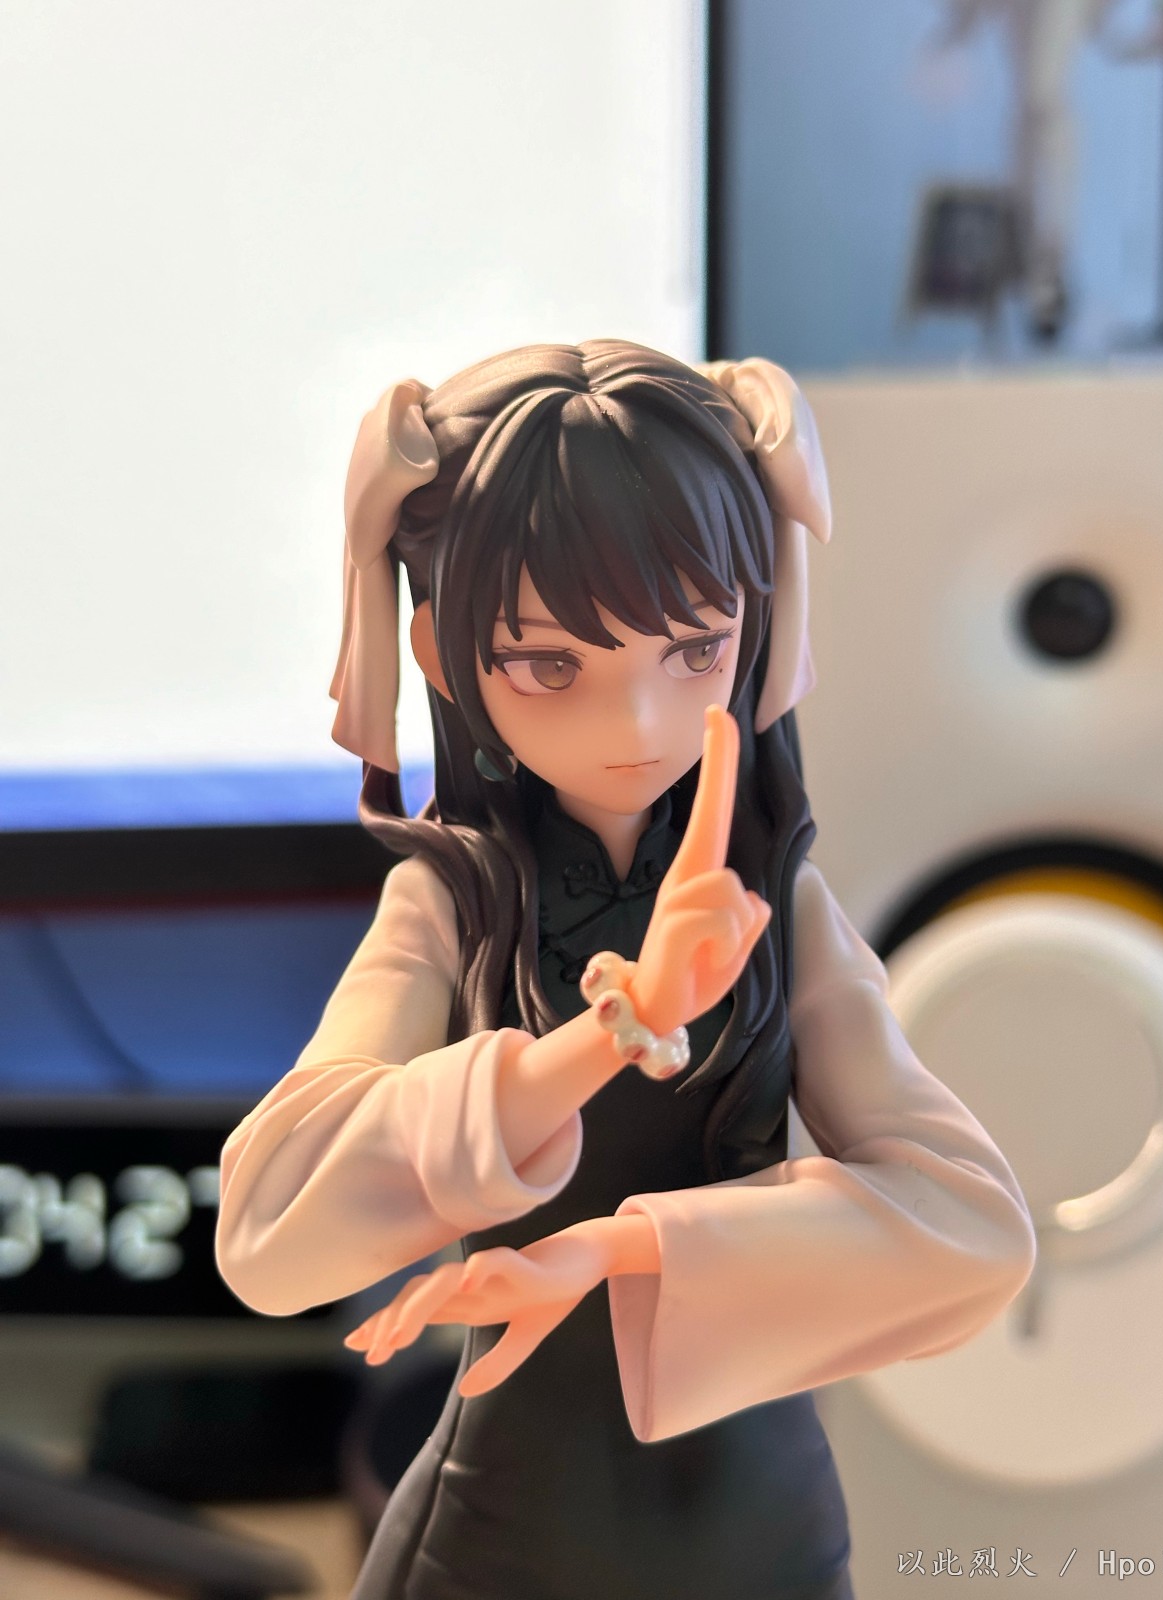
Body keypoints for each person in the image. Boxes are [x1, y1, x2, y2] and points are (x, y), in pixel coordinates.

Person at [216, 341, 1035, 1600]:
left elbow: (975, 1231)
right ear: (438, 651)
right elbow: (270, 1233)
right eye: (552, 665)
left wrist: (618, 1250)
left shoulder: (776, 905)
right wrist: (615, 1027)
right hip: (506, 1524)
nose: (639, 722)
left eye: (695, 649)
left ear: (758, 625)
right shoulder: (454, 904)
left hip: (756, 1524)